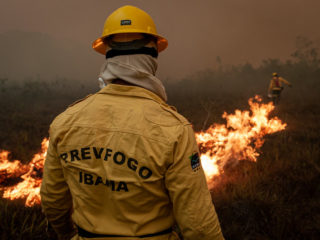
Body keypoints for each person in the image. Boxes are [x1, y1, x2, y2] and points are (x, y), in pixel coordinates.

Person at [40, 5, 224, 240]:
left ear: (107, 55)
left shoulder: (64, 122)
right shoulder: (174, 130)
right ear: (152, 56)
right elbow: (199, 227)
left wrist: (68, 235)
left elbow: (53, 202)